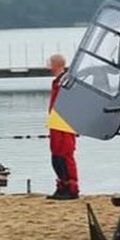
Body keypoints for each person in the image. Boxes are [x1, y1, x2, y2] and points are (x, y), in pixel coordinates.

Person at [46, 53, 79, 200]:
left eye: (50, 63)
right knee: (56, 156)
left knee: (65, 155)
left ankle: (71, 188)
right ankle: (62, 186)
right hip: (55, 122)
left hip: (64, 122)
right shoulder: (57, 82)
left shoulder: (66, 81)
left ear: (56, 64)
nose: (48, 66)